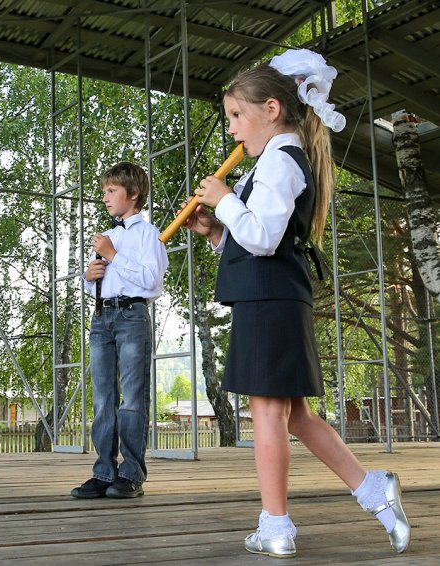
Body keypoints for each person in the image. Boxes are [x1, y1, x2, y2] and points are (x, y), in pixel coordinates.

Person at [185, 49, 410, 557]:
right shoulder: (276, 160)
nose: (231, 129)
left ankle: (276, 526)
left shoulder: (280, 161)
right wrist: (217, 231)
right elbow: (261, 236)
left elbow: (264, 238)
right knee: (295, 416)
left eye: (236, 115)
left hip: (270, 300)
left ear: (272, 109)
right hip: (274, 296)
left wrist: (224, 199)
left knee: (267, 412)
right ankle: (374, 490)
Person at [71, 162, 168, 500]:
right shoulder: (108, 236)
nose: (105, 197)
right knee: (103, 398)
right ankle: (104, 471)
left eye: (112, 191)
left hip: (131, 316)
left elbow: (152, 283)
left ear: (134, 194)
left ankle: (131, 473)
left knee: (132, 398)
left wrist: (113, 255)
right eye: (104, 191)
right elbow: (97, 284)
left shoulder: (149, 235)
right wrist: (88, 277)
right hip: (102, 317)